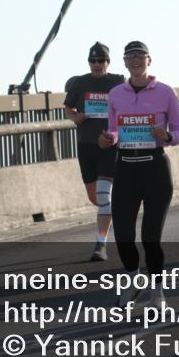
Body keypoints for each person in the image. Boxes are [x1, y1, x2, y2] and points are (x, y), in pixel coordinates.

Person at [100, 41, 179, 307]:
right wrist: (108, 139)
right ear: (124, 62)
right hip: (125, 167)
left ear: (149, 60)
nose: (136, 61)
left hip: (156, 168)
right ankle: (134, 279)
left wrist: (168, 135)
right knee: (123, 235)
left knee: (151, 236)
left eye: (140, 56)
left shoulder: (165, 92)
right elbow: (113, 129)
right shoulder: (115, 93)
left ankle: (157, 291)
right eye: (130, 57)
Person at [63, 42, 126, 262]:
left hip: (110, 145)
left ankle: (101, 244)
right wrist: (76, 117)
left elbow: (130, 105)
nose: (97, 65)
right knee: (95, 198)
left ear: (108, 62)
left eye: (101, 61)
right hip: (86, 145)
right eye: (93, 61)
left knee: (102, 194)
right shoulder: (80, 83)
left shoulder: (118, 82)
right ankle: (108, 210)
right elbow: (69, 108)